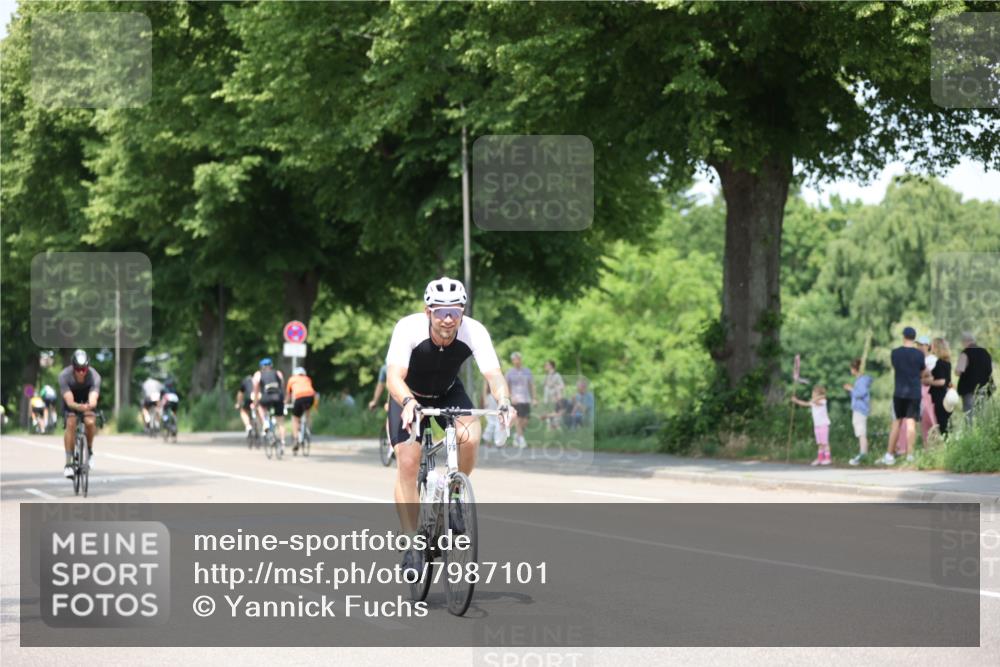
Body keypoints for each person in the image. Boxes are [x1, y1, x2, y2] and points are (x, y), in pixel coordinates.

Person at [384, 277, 515, 576]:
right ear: (427, 311)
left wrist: (504, 399)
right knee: (407, 460)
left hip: (447, 390)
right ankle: (412, 544)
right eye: (440, 311)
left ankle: (455, 492)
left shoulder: (474, 331)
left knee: (470, 435)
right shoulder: (408, 328)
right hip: (408, 395)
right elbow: (394, 376)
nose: (447, 319)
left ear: (463, 312)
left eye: (454, 312)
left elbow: (493, 374)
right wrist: (407, 401)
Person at [882, 327, 929, 465]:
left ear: (904, 337)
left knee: (896, 423)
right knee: (911, 424)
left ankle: (889, 455)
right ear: (914, 338)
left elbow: (897, 368)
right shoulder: (919, 354)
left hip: (899, 392)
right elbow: (923, 372)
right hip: (914, 392)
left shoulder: (895, 353)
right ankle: (910, 455)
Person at [58, 349, 101, 478]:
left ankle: (90, 451)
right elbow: (70, 401)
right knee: (71, 423)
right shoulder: (64, 376)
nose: (81, 372)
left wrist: (88, 406)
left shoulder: (94, 376)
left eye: (84, 369)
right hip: (71, 402)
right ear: (73, 367)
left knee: (90, 421)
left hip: (86, 400)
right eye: (78, 369)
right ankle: (68, 463)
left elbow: (93, 400)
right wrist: (78, 407)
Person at [955, 332, 994, 424]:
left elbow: (958, 371)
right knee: (981, 415)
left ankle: (970, 436)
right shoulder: (985, 352)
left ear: (965, 342)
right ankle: (981, 435)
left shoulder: (965, 353)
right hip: (984, 389)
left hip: (969, 390)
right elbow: (990, 368)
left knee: (969, 416)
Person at [793, 384, 831, 466]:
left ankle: (827, 459)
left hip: (823, 424)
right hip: (817, 425)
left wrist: (819, 397)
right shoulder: (814, 402)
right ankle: (820, 459)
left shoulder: (823, 401)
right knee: (820, 443)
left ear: (818, 393)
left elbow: (818, 401)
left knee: (825, 443)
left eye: (814, 392)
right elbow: (805, 403)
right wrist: (796, 401)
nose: (812, 394)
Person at [843, 358, 873, 466]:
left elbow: (861, 393)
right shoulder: (860, 380)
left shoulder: (862, 380)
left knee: (861, 433)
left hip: (860, 409)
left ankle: (863, 454)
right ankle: (862, 453)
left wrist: (851, 389)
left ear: (854, 369)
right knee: (860, 432)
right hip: (858, 409)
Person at [253, 358, 286, 447]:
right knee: (281, 422)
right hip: (278, 397)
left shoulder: (258, 374)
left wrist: (256, 402)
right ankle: (283, 442)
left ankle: (265, 422)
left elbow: (256, 389)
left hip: (266, 397)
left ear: (261, 367)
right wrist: (284, 399)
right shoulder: (278, 373)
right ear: (271, 365)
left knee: (260, 406)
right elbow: (282, 386)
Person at [505, 352, 534, 448]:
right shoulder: (509, 373)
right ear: (512, 361)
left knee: (525, 421)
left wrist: (534, 398)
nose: (517, 361)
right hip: (515, 399)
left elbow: (531, 385)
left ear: (520, 360)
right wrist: (510, 397)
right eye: (514, 359)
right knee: (517, 420)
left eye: (518, 359)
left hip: (526, 399)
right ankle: (522, 440)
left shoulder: (527, 371)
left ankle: (517, 435)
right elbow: (506, 386)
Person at [286, 367, 317, 453]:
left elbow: (288, 394)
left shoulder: (292, 379)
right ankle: (308, 429)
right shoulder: (307, 378)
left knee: (295, 418)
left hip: (299, 397)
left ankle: (296, 439)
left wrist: (285, 402)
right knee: (307, 412)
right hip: (311, 397)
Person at [928, 337, 954, 437]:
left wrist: (928, 381)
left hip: (939, 397)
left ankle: (947, 446)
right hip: (946, 396)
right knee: (947, 424)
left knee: (942, 424)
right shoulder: (947, 363)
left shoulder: (939, 363)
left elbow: (942, 381)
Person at [916, 335, 939, 443]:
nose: (919, 347)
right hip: (919, 395)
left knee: (933, 420)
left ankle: (938, 448)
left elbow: (932, 377)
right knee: (923, 423)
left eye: (921, 345)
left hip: (931, 394)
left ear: (927, 346)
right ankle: (927, 450)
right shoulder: (916, 360)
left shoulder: (933, 360)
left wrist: (922, 377)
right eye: (918, 345)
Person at [480, 381, 508, 448]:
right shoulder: (489, 375)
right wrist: (485, 400)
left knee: (499, 421)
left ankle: (498, 442)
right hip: (490, 398)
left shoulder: (500, 376)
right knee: (491, 422)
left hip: (498, 398)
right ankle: (487, 440)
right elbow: (485, 388)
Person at [541, 360, 565, 431]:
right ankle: (550, 436)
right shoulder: (547, 376)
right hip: (547, 400)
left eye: (547, 365)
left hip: (554, 400)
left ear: (551, 366)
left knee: (555, 419)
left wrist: (553, 385)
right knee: (548, 420)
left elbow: (562, 386)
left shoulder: (557, 375)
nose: (545, 366)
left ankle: (559, 434)